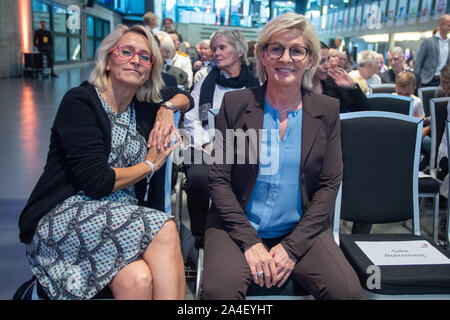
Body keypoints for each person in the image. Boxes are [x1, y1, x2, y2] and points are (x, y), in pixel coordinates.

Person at [18, 24, 194, 300]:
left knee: (138, 278)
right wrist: (149, 165)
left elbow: (185, 93)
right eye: (127, 52)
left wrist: (167, 109)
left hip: (120, 216)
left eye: (145, 56)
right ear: (109, 59)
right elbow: (96, 182)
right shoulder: (81, 102)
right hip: (68, 212)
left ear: (150, 68)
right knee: (165, 227)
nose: (136, 59)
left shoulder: (143, 105)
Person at [201, 13, 362, 300]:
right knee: (218, 293)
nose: (285, 58)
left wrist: (292, 247)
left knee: (347, 291)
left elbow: (328, 185)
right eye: (276, 48)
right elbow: (219, 181)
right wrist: (250, 242)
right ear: (263, 56)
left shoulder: (326, 110)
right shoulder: (236, 105)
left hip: (300, 228)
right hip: (236, 224)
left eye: (297, 50)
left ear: (310, 59)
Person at [183, 29, 259, 251]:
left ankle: (240, 231)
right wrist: (207, 144)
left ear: (239, 51)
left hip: (244, 146)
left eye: (222, 47)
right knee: (198, 177)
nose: (216, 52)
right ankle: (202, 238)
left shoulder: (255, 84)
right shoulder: (205, 82)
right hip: (204, 145)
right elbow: (191, 118)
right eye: (214, 48)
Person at [312, 42, 369, 114]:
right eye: (321, 61)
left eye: (327, 59)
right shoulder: (298, 90)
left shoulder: (333, 83)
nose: (327, 66)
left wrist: (352, 86)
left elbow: (365, 111)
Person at [393, 71, 431, 171]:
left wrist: (417, 119)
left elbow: (422, 118)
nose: (403, 97)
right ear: (395, 87)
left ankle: (419, 169)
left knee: (429, 145)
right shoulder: (391, 98)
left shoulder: (417, 101)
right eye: (400, 93)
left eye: (407, 94)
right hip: (395, 133)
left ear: (414, 89)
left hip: (413, 133)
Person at [414, 14, 450, 87]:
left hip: (443, 82)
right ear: (441, 24)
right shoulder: (428, 41)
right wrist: (416, 81)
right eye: (449, 25)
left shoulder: (449, 43)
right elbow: (418, 63)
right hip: (426, 80)